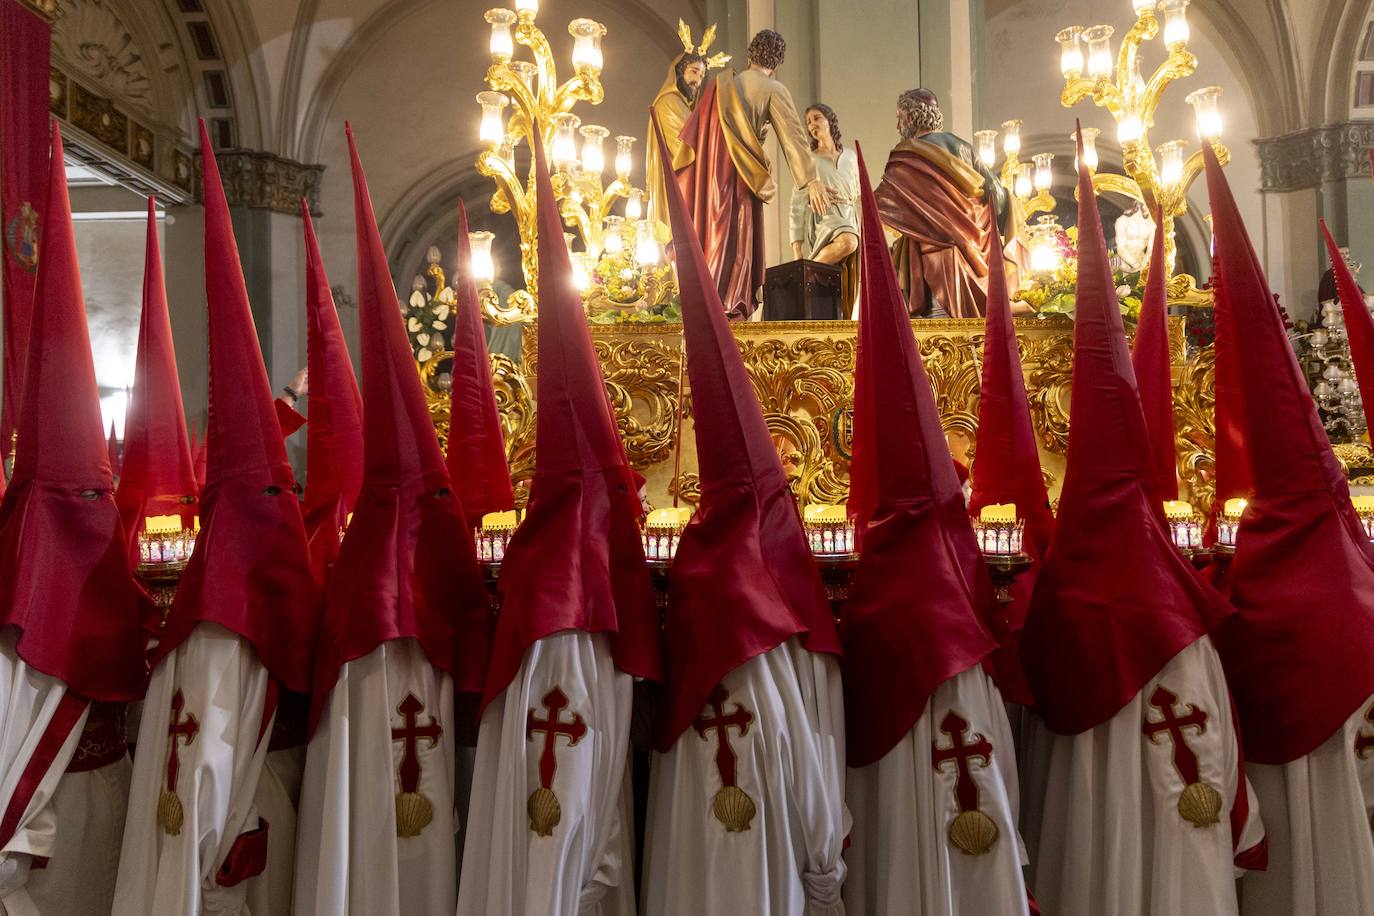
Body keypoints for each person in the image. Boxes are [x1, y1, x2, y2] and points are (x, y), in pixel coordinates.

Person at [676, 28, 829, 319]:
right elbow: (793, 139)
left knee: (714, 236)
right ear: (777, 61)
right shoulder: (773, 89)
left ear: (750, 54)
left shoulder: (722, 85)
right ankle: (731, 306)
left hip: (712, 177)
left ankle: (709, 304)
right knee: (738, 243)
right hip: (743, 177)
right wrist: (812, 180)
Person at [875, 88, 1011, 318]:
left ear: (912, 115)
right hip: (975, 260)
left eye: (900, 117)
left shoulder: (905, 157)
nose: (898, 126)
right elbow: (998, 200)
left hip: (930, 266)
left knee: (934, 343)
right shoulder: (963, 148)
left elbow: (879, 206)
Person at [646, 21, 727, 239]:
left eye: (701, 77)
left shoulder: (682, 106)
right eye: (693, 72)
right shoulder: (669, 102)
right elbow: (684, 146)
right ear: (679, 71)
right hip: (675, 192)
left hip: (685, 190)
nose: (697, 81)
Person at [790, 103, 860, 311]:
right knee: (848, 242)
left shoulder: (850, 157)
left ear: (830, 120)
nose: (812, 124)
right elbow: (797, 205)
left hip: (850, 216)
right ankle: (805, 274)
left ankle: (843, 325)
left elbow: (858, 193)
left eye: (817, 118)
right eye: (809, 122)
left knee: (848, 285)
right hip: (824, 218)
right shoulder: (809, 160)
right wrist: (797, 250)